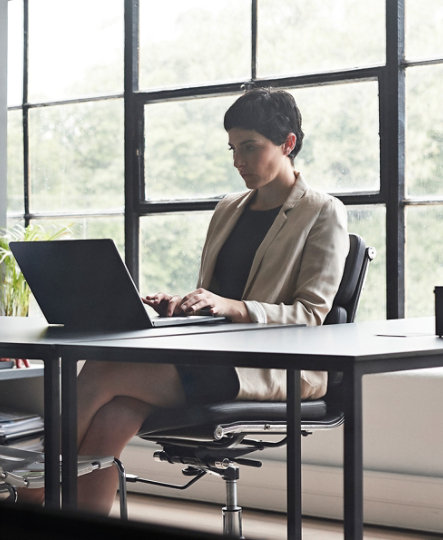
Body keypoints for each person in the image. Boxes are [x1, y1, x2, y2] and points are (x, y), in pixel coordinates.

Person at [72, 87, 349, 515]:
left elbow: (310, 315)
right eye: (233, 148)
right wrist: (184, 307)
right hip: (212, 353)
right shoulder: (228, 208)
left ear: (288, 143)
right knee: (115, 416)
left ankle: (36, 487)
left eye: (250, 147)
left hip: (273, 366)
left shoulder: (322, 212)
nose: (238, 160)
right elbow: (219, 293)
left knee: (103, 369)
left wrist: (231, 307)